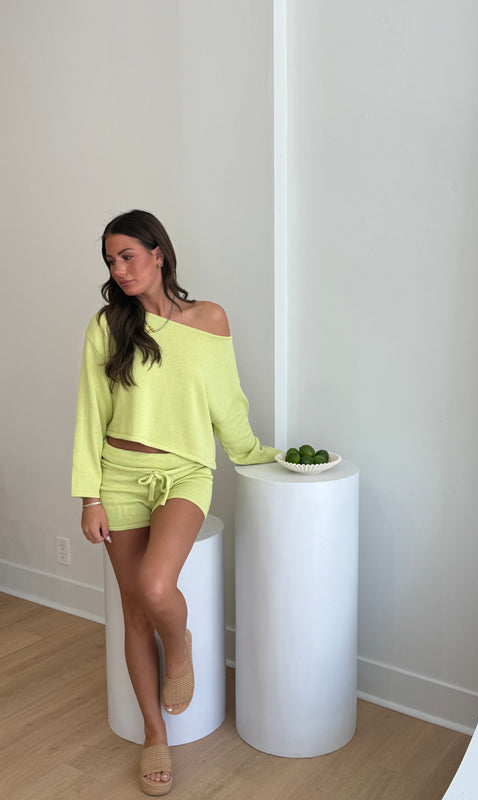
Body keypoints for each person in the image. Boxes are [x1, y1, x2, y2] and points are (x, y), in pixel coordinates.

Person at [71, 209, 279, 796]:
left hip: (186, 473)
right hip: (118, 475)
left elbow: (226, 402)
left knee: (157, 589)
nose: (119, 269)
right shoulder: (108, 324)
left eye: (127, 256)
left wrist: (257, 453)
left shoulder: (208, 318)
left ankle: (180, 646)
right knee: (135, 610)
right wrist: (90, 496)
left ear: (157, 253)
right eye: (111, 261)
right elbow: (90, 415)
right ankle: (154, 736)